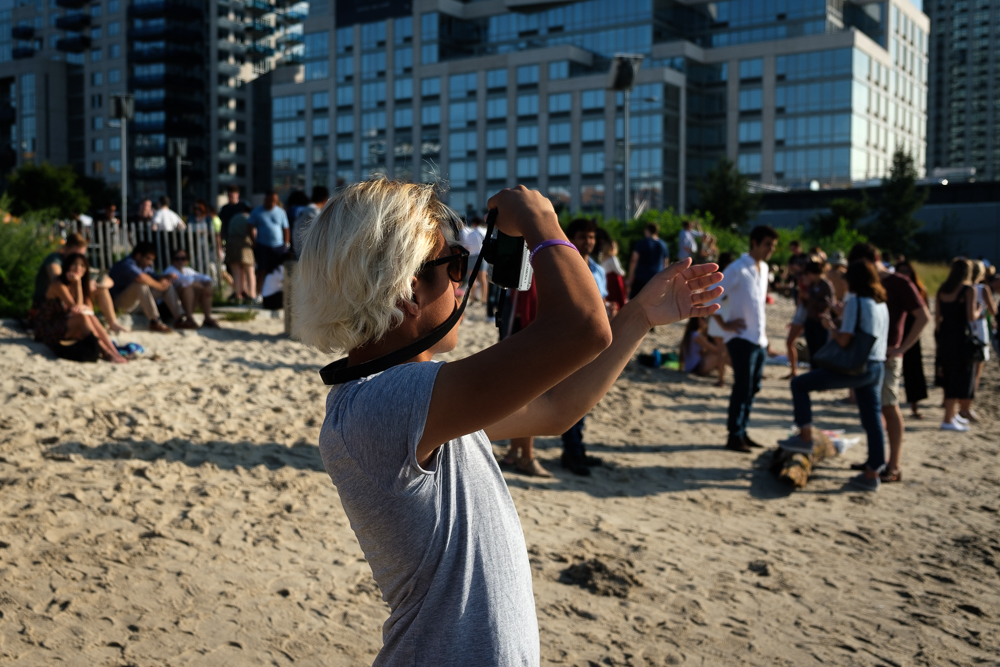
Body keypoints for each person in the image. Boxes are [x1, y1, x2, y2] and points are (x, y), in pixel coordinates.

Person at [292, 180, 721, 665]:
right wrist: (542, 222)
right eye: (453, 266)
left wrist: (640, 315)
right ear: (407, 288)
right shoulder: (384, 405)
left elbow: (558, 408)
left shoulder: (414, 400)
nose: (462, 282)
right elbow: (581, 327)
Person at [781, 260, 890, 491]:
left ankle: (805, 437)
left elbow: (844, 339)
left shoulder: (856, 302)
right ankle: (873, 472)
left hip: (856, 367)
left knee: (800, 384)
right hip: (876, 366)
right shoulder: (880, 304)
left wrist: (830, 324)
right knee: (873, 419)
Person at [847, 243, 929, 483]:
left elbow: (924, 316)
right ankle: (875, 459)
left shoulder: (899, 282)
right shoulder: (865, 283)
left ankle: (893, 466)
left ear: (874, 259)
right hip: (868, 357)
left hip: (888, 358)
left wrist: (902, 348)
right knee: (871, 411)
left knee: (888, 408)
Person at [712, 225, 779, 453]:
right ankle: (734, 435)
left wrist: (765, 337)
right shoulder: (737, 268)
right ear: (755, 243)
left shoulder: (764, 268)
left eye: (773, 245)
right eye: (767, 244)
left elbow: (759, 305)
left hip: (758, 338)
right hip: (740, 337)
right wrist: (723, 324)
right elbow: (713, 294)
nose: (771, 249)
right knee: (742, 386)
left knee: (754, 387)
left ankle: (743, 431)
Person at [560, 218, 611, 475]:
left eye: (591, 237)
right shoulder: (564, 267)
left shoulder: (599, 270)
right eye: (583, 237)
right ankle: (571, 452)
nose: (588, 241)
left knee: (585, 400)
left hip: (593, 344)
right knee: (572, 399)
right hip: (570, 342)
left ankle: (578, 449)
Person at [33, 253, 128, 363]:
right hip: (47, 329)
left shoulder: (82, 285)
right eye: (74, 264)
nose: (78, 268)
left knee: (90, 317)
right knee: (83, 317)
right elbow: (75, 309)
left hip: (66, 324)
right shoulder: (58, 284)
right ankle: (107, 352)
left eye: (82, 265)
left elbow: (88, 310)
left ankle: (113, 351)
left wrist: (79, 287)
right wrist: (78, 283)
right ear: (67, 266)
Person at [31, 232, 127, 334]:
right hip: (50, 303)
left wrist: (93, 284)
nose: (78, 257)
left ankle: (112, 323)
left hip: (69, 301)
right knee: (82, 308)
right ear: (66, 248)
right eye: (75, 253)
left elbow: (109, 281)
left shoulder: (76, 262)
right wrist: (81, 283)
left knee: (100, 289)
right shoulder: (54, 259)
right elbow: (58, 281)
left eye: (81, 255)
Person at [935, 258, 982, 432]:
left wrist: (939, 341)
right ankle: (948, 419)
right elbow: (971, 317)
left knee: (948, 376)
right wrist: (979, 310)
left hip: (945, 337)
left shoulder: (942, 289)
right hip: (961, 338)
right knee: (958, 378)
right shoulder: (967, 290)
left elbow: (937, 320)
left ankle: (952, 415)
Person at [108, 241, 183, 332]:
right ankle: (155, 321)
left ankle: (179, 319)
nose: (151, 262)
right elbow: (141, 278)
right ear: (139, 255)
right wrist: (159, 285)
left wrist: (166, 277)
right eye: (149, 259)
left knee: (167, 286)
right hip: (121, 305)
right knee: (140, 284)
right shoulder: (126, 264)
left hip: (137, 304)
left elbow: (154, 277)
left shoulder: (142, 265)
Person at [894, 260, 930, 420]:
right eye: (901, 270)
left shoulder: (920, 289)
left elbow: (925, 314)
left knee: (914, 371)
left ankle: (914, 406)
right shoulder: (891, 287)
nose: (904, 273)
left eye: (907, 270)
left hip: (911, 332)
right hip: (895, 332)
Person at [164, 249, 221, 329]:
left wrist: (207, 285)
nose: (180, 261)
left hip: (184, 304)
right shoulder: (169, 270)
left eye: (183, 258)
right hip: (170, 308)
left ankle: (207, 317)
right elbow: (186, 280)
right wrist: (204, 288)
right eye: (177, 258)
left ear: (187, 260)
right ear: (172, 260)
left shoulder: (187, 270)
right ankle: (189, 318)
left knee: (205, 287)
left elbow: (205, 277)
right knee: (188, 287)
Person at [249, 191, 290, 299]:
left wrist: (286, 243)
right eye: (270, 200)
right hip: (263, 245)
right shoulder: (257, 211)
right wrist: (253, 241)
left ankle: (282, 293)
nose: (272, 203)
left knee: (280, 270)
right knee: (262, 270)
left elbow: (285, 228)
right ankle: (259, 294)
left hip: (279, 245)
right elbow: (250, 226)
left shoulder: (281, 212)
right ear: (265, 200)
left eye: (274, 201)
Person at [970, 260, 997, 405]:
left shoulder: (962, 288)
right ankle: (970, 398)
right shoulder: (983, 288)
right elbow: (993, 310)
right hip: (979, 326)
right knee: (978, 365)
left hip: (965, 327)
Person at [627, 222, 669, 299]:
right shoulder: (663, 244)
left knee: (636, 300)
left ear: (647, 230)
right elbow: (665, 262)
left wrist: (631, 275)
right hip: (656, 277)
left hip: (641, 277)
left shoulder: (642, 243)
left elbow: (634, 259)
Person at [225, 203, 256, 302]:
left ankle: (238, 295)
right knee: (250, 270)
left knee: (236, 272)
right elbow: (253, 232)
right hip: (244, 243)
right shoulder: (250, 218)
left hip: (231, 243)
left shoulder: (234, 218)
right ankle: (252, 295)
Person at [292, 186, 329, 257]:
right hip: (308, 253)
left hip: (301, 251)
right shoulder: (314, 212)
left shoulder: (307, 210)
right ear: (325, 200)